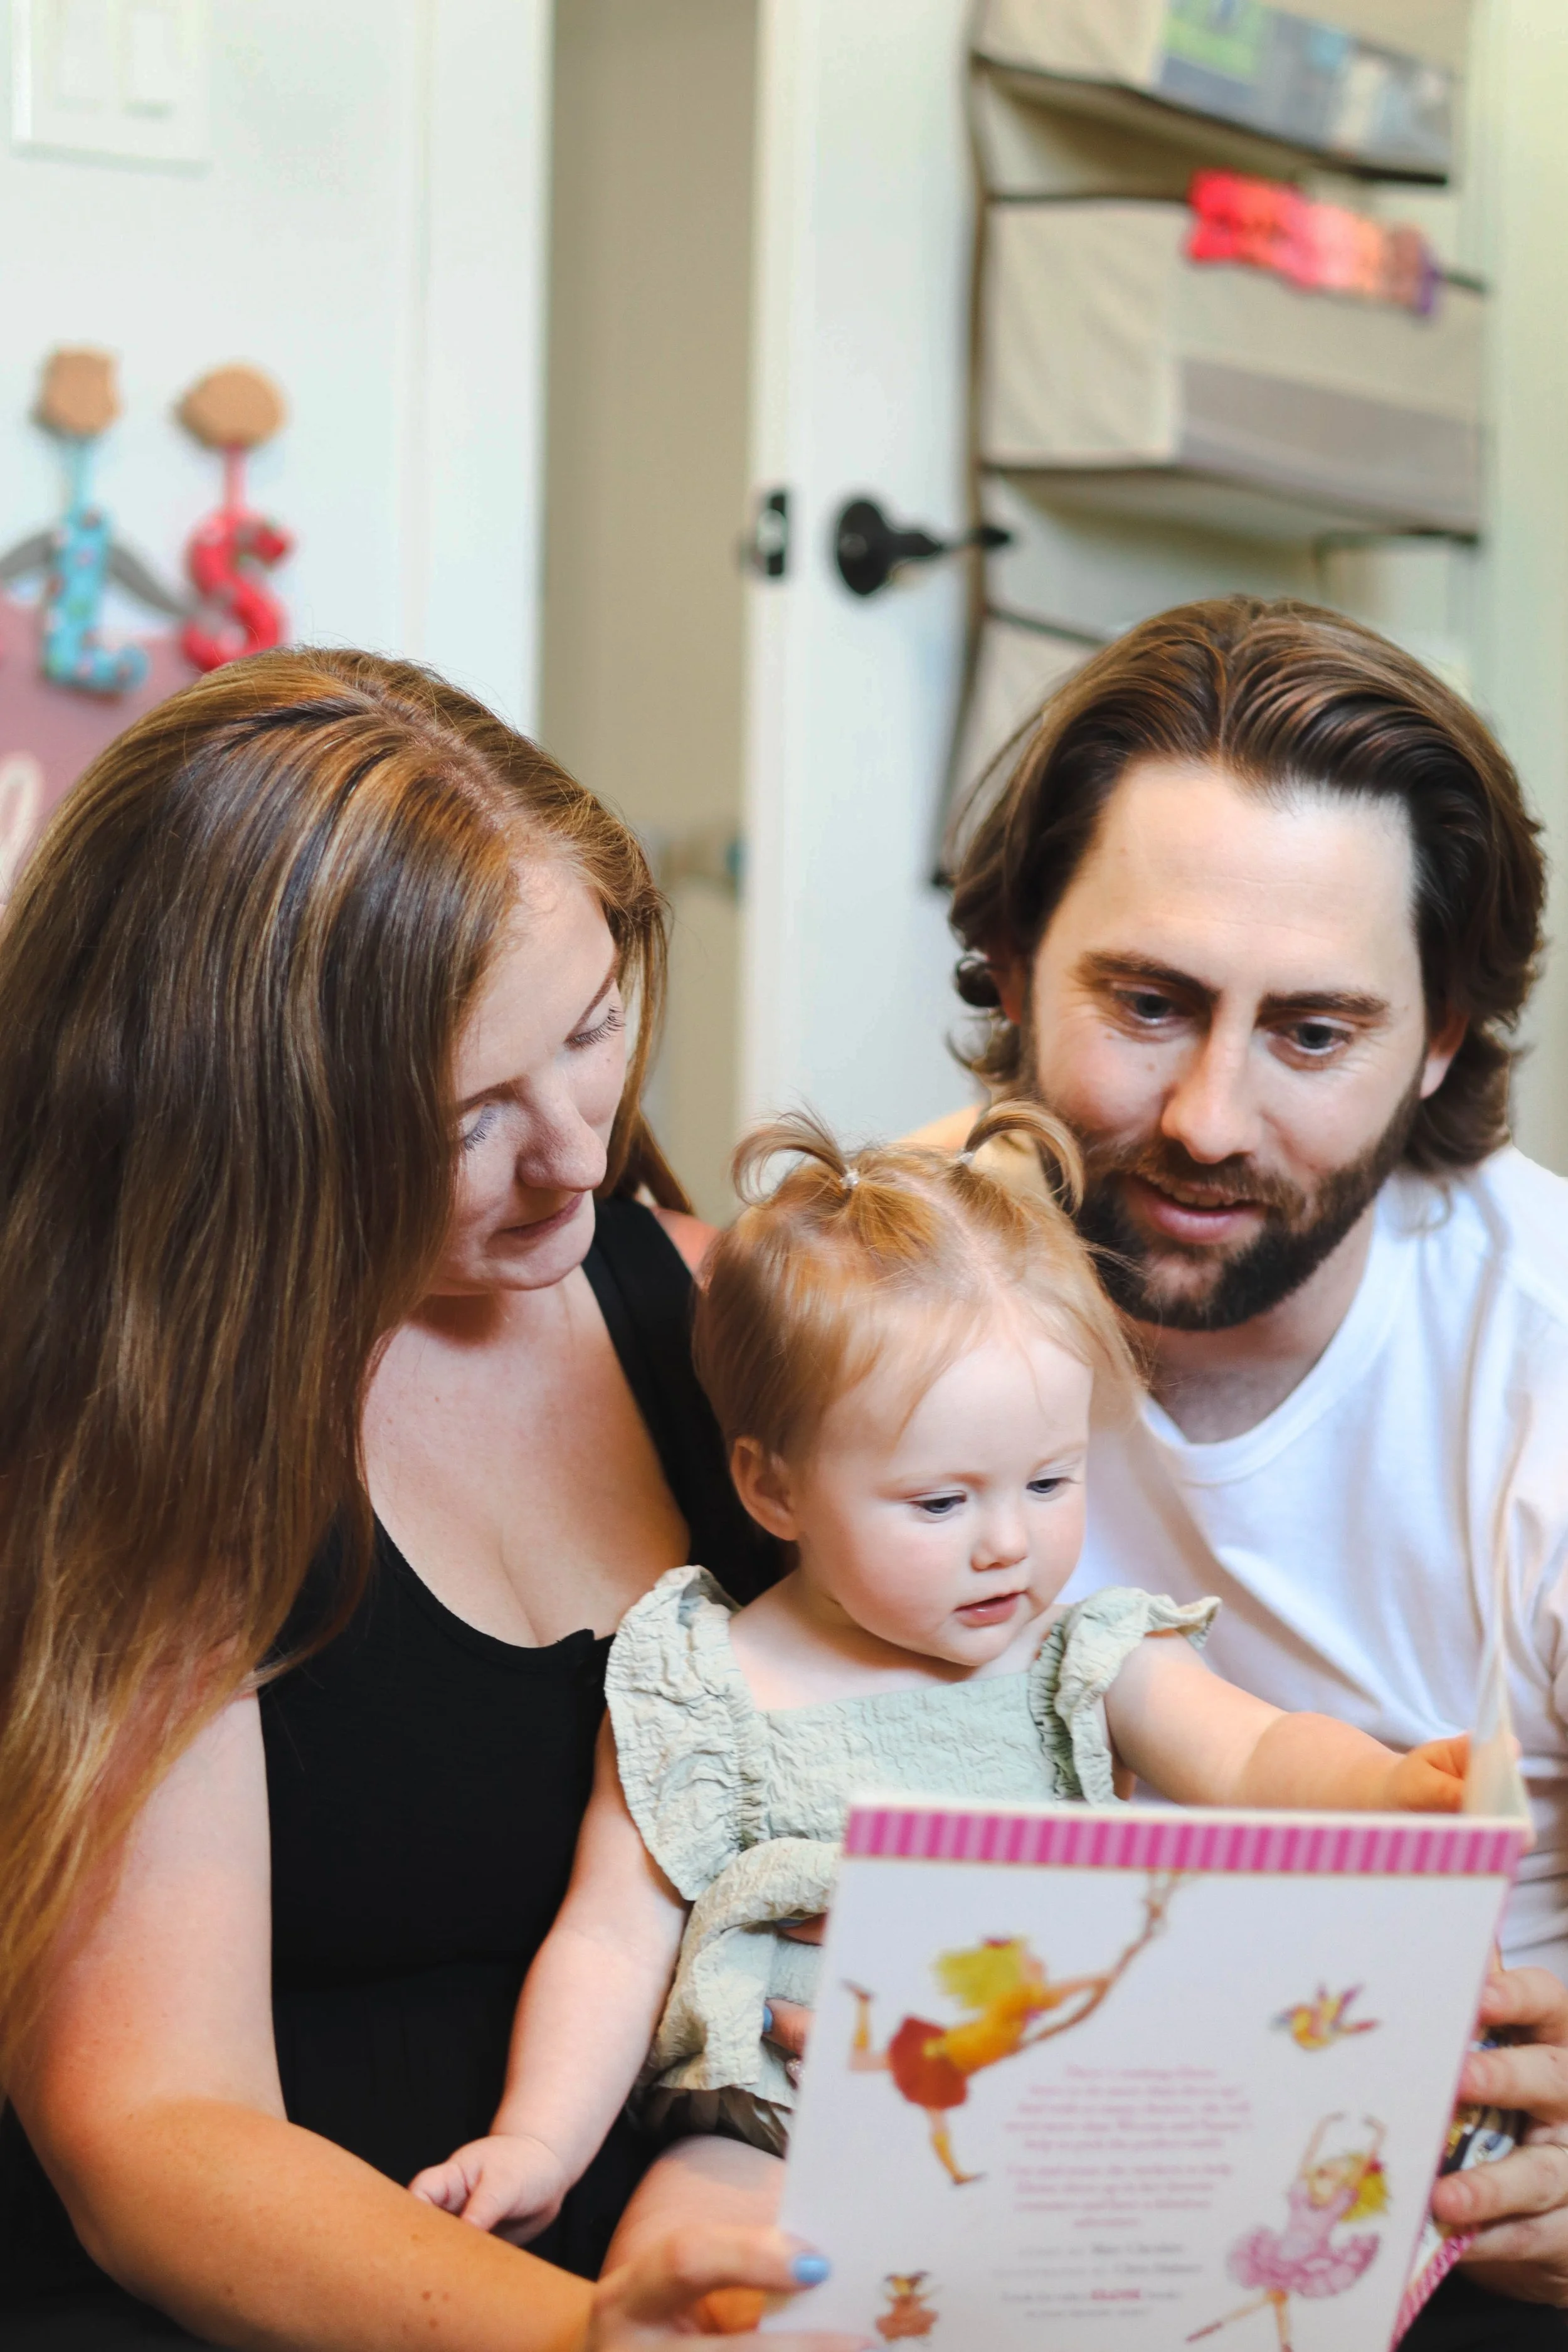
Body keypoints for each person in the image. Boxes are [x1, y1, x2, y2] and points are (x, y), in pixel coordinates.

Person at [0, 650, 843, 2352]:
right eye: (469, 1115)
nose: (580, 1157)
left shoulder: (723, 1320)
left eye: (593, 1026)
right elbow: (158, 2132)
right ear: (245, 1125)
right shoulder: (128, 1439)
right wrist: (576, 2336)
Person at [408, 1103, 1465, 2244]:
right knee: (690, 2240)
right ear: (775, 1490)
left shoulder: (1079, 1656)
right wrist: (539, 2141)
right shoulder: (700, 1687)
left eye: (1050, 1482)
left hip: (1051, 2113)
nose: (1007, 1542)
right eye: (942, 1501)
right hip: (774, 2129)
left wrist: (1387, 1792)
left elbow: (1255, 1752)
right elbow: (613, 1936)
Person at [925, 594, 1568, 2338]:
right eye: (1145, 1000)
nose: (1208, 1116)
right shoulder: (873, 1287)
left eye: (1310, 1031)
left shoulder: (1541, 1371)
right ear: (1012, 958)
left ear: (1436, 1036)